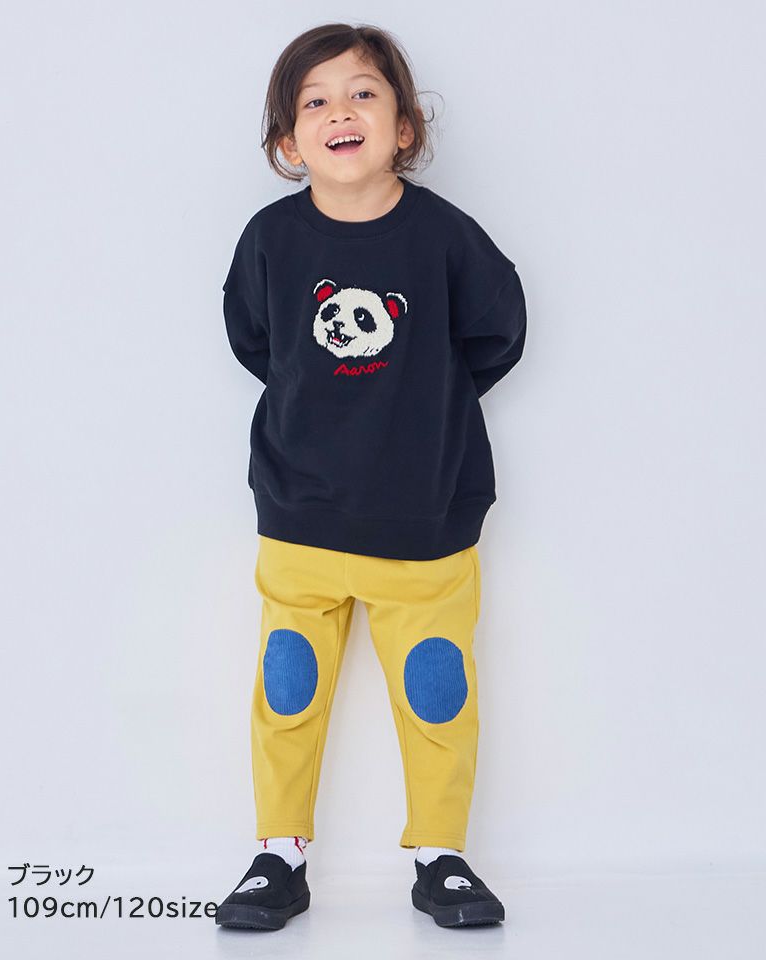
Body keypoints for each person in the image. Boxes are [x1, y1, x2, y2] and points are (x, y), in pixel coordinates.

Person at [214, 22, 527, 932]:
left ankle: (442, 856)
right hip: (299, 517)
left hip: (425, 517)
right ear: (288, 142)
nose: (338, 111)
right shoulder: (271, 241)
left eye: (362, 93)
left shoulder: (444, 237)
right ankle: (279, 856)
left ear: (403, 128)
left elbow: (498, 330)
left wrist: (425, 399)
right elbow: (256, 341)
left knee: (437, 691)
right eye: (314, 101)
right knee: (287, 690)